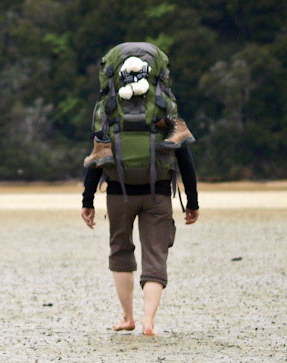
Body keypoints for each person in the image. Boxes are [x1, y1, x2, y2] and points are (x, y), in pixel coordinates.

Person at [80, 139, 199, 336]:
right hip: (158, 194)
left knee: (120, 250)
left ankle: (128, 318)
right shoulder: (168, 118)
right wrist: (192, 202)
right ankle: (148, 321)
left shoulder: (108, 118)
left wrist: (87, 200)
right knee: (155, 254)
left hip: (119, 194)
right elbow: (185, 160)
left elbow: (97, 158)